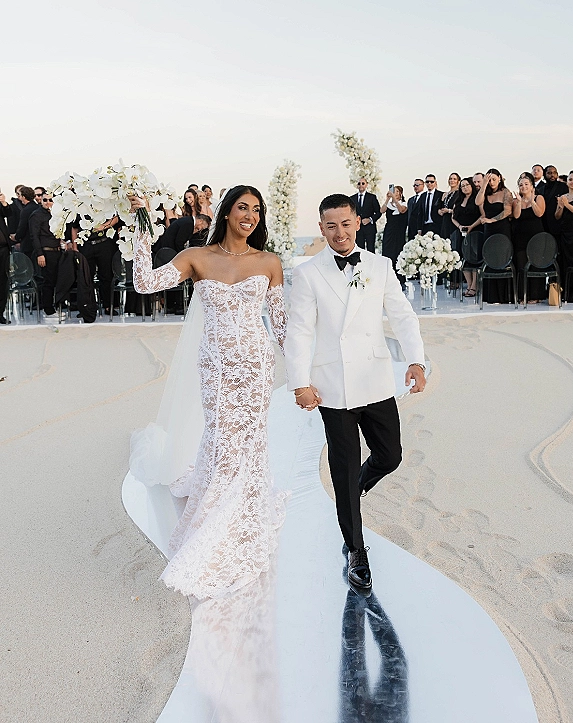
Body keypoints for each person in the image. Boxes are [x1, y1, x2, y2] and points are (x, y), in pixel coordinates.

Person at [129, 185, 287, 599]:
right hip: (216, 366)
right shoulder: (197, 256)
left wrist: (308, 374)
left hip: (256, 364)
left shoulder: (270, 262)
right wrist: (143, 223)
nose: (249, 216)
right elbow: (145, 283)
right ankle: (213, 520)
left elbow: (282, 325)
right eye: (242, 208)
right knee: (221, 438)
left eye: (256, 210)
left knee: (250, 442)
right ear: (226, 212)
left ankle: (240, 519)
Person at [285, 193, 426, 592]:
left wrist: (416, 360)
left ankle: (353, 492)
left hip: (376, 379)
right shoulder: (309, 273)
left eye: (345, 224)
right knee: (343, 468)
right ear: (322, 228)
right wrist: (300, 381)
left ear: (358, 222)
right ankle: (356, 550)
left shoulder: (380, 266)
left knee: (391, 456)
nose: (339, 232)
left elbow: (401, 314)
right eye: (331, 226)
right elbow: (300, 330)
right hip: (332, 387)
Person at [475, 169, 513, 304]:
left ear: (500, 178)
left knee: (501, 260)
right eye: (489, 180)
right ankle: (490, 296)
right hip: (488, 230)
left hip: (502, 229)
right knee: (489, 259)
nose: (492, 182)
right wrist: (483, 185)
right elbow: (478, 202)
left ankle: (503, 296)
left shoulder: (506, 192)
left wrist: (492, 220)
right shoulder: (485, 192)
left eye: (493, 179)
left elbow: (508, 211)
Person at [511, 172, 546, 303]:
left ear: (531, 186)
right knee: (522, 265)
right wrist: (520, 202)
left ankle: (535, 295)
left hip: (536, 236)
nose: (523, 187)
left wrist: (532, 201)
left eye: (526, 184)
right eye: (521, 185)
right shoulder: (516, 200)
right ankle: (523, 294)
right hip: (520, 237)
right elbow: (516, 216)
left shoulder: (539, 198)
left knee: (535, 265)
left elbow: (540, 213)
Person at [29, 191, 62, 317]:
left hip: (57, 252)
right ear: (41, 201)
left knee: (55, 280)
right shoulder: (36, 215)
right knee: (47, 282)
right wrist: (39, 254)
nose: (48, 202)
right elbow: (34, 236)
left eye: (50, 200)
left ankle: (55, 306)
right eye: (45, 200)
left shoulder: (57, 214)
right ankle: (48, 309)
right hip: (45, 252)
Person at [451, 177, 482, 297]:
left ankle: (474, 286)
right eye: (462, 186)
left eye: (467, 185)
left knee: (474, 259)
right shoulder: (458, 200)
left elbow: (482, 215)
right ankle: (469, 285)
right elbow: (453, 217)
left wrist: (471, 226)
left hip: (475, 232)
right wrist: (459, 226)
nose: (465, 187)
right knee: (463, 259)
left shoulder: (476, 199)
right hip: (461, 232)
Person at [555, 171, 573, 302]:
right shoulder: (563, 196)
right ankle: (566, 294)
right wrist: (560, 206)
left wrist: (567, 205)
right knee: (565, 262)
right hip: (565, 233)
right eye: (570, 179)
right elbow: (557, 216)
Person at [380, 186, 408, 285]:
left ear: (400, 193)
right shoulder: (389, 204)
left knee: (398, 252)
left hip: (399, 231)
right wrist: (388, 199)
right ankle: (388, 277)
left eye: (396, 191)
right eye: (393, 191)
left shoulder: (403, 203)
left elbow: (402, 210)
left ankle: (400, 278)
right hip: (389, 231)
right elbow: (382, 210)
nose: (394, 193)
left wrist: (395, 200)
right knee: (388, 252)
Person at [350, 178, 381, 252]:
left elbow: (378, 212)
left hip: (370, 229)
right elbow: (350, 213)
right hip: (358, 229)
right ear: (357, 185)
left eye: (363, 183)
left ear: (366, 185)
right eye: (359, 183)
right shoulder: (352, 198)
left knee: (371, 250)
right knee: (359, 250)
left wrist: (369, 219)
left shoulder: (372, 197)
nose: (361, 185)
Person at [0, 189, 16, 324]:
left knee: (3, 282)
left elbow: (8, 213)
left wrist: (4, 202)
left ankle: (0, 313)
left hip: (3, 250)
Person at [539, 165, 568, 239]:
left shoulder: (563, 187)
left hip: (560, 222)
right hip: (545, 223)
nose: (552, 175)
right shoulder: (540, 189)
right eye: (549, 173)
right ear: (544, 175)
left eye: (554, 173)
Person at [10, 186, 37, 258]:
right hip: (37, 243)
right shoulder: (38, 207)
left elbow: (22, 227)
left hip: (27, 244)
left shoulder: (25, 210)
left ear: (24, 197)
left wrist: (16, 237)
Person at [438, 172, 461, 240]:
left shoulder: (459, 194)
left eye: (454, 179)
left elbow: (459, 209)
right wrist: (440, 211)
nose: (452, 181)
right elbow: (440, 206)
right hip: (444, 222)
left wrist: (448, 211)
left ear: (458, 181)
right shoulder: (445, 194)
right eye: (450, 179)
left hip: (453, 221)